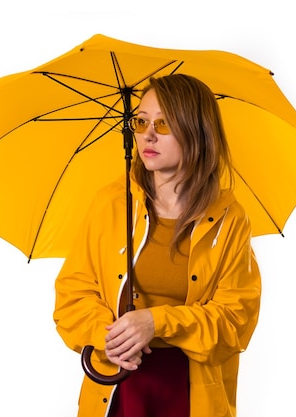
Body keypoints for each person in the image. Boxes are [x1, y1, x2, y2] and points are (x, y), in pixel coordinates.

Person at [53, 74, 261, 417]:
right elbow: (72, 295)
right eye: (141, 121)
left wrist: (157, 322)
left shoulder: (229, 218)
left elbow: (236, 320)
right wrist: (108, 336)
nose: (148, 134)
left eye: (163, 124)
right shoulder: (110, 203)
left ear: (196, 132)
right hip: (120, 387)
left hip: (191, 393)